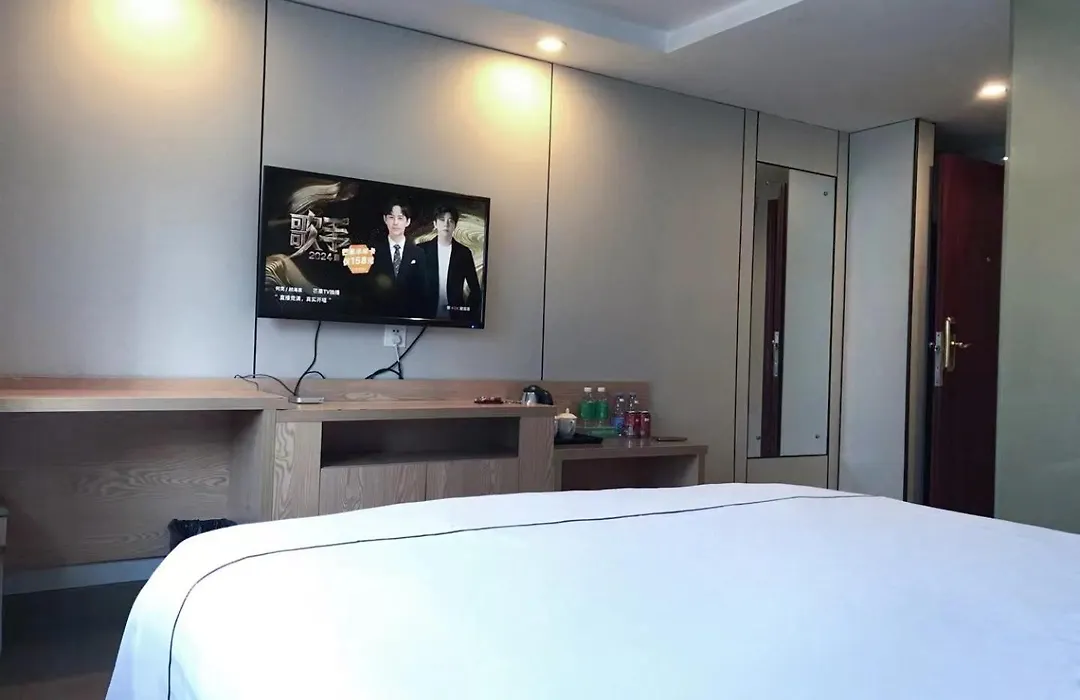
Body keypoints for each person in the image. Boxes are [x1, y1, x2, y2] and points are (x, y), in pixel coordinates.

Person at [366, 199, 430, 319]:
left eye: (400, 218)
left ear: (408, 222)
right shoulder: (372, 251)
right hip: (377, 317)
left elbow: (423, 291)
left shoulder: (418, 253)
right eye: (391, 217)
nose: (395, 223)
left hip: (410, 318)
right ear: (385, 219)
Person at [419, 205, 483, 322]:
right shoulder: (421, 250)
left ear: (455, 226)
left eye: (450, 221)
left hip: (455, 318)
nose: (446, 224)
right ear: (435, 224)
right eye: (442, 220)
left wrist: (466, 315)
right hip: (423, 316)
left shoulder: (463, 253)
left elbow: (475, 290)